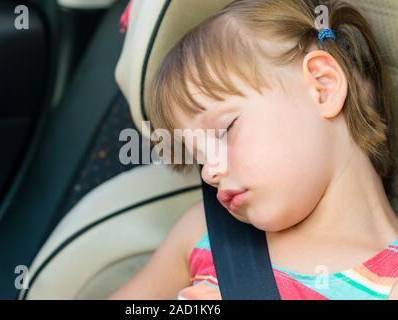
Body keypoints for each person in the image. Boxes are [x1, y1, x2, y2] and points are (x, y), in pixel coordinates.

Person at [109, 0, 398, 300]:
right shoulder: (204, 232)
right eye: (198, 157)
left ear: (322, 88)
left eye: (224, 130)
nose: (209, 172)